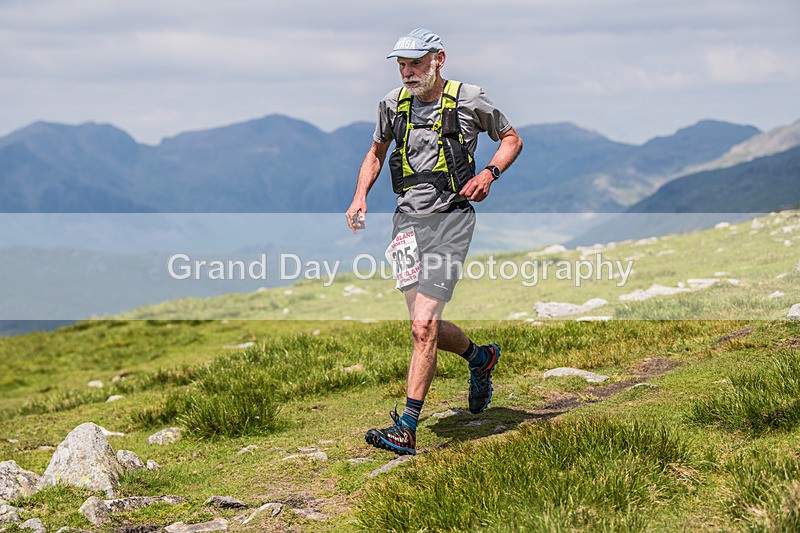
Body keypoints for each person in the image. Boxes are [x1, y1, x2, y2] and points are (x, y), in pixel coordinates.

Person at [345, 28, 523, 455]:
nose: (408, 73)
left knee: (423, 325)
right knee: (423, 327)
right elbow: (376, 152)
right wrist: (359, 196)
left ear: (438, 59)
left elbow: (511, 139)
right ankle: (481, 358)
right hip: (406, 225)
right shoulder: (391, 104)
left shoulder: (470, 99)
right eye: (402, 66)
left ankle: (406, 428)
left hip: (451, 221)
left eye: (416, 64)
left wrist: (489, 174)